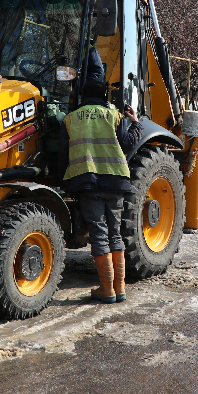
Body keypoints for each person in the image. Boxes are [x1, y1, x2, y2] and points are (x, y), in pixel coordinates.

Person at [59, 46, 142, 303]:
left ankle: (106, 289)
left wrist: (66, 182)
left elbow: (64, 154)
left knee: (98, 232)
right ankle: (120, 289)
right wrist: (136, 121)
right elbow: (129, 144)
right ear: (104, 94)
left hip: (88, 183)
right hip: (116, 181)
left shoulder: (71, 119)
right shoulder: (114, 115)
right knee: (115, 233)